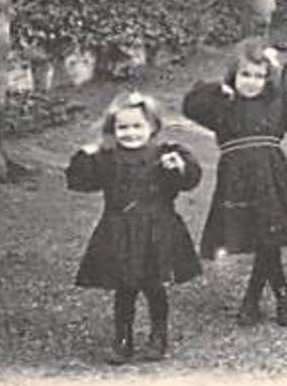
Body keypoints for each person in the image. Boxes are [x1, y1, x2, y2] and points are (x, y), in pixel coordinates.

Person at [182, 38, 287, 328]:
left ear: (268, 79)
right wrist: (220, 88)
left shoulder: (276, 102)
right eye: (245, 75)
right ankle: (273, 294)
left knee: (269, 234)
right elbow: (190, 105)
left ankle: (263, 297)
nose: (252, 83)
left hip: (270, 173)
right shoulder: (223, 104)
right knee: (257, 235)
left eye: (259, 76)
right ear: (233, 75)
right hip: (236, 176)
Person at [68, 92, 202, 364]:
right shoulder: (108, 158)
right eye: (122, 127)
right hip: (119, 228)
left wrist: (178, 167)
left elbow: (189, 181)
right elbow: (81, 182)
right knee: (124, 287)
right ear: (112, 129)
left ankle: (158, 337)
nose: (130, 133)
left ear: (152, 126)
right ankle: (123, 340)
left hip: (156, 228)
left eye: (137, 126)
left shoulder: (164, 154)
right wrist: (87, 153)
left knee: (154, 286)